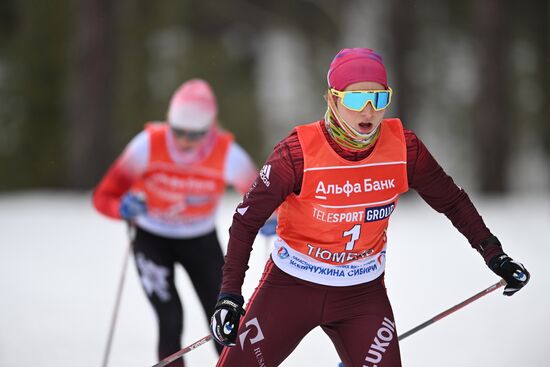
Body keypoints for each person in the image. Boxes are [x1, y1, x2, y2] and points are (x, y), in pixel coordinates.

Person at [209, 48, 530, 367]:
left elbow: (452, 201)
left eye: (378, 99)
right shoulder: (296, 154)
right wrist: (229, 294)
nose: (368, 111)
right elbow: (246, 220)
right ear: (333, 100)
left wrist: (493, 253)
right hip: (291, 288)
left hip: (360, 296)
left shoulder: (405, 149)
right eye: (354, 99)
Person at [93, 79, 259, 367]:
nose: (184, 141)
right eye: (178, 131)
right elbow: (103, 196)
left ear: (212, 128)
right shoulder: (147, 145)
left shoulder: (227, 154)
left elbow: (263, 196)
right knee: (170, 318)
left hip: (200, 240)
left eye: (195, 135)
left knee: (222, 318)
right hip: (152, 239)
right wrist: (121, 207)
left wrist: (270, 219)